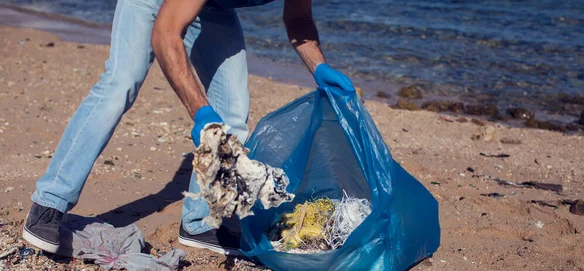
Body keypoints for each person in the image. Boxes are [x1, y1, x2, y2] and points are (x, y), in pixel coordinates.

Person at [23, 0, 354, 256]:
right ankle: (48, 204)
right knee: (120, 85)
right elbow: (165, 35)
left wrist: (321, 69)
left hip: (211, 8)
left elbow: (297, 20)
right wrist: (201, 115)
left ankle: (198, 223)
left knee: (233, 113)